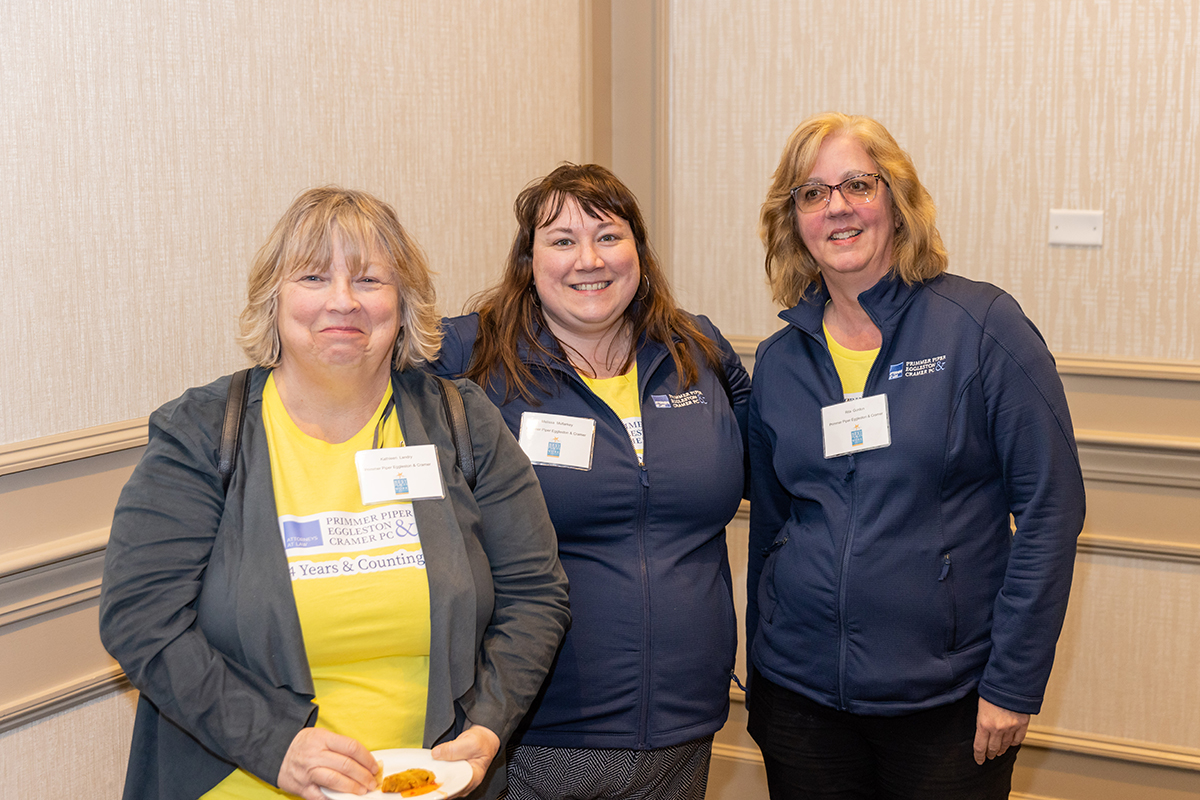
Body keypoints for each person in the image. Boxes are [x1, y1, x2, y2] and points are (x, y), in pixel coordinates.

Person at [99, 187, 570, 800]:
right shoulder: (203, 431)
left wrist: (487, 725)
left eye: (370, 279)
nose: (343, 300)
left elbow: (535, 594)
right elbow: (140, 619)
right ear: (274, 298)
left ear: (403, 303)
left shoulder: (462, 422)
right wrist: (275, 746)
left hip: (424, 785)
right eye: (314, 276)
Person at [746, 113, 1086, 799]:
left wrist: (1014, 683)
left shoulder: (981, 327)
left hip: (946, 705)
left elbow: (1051, 510)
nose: (837, 207)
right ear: (793, 222)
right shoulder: (781, 360)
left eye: (857, 184)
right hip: (800, 702)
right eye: (812, 193)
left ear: (897, 202)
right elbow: (772, 528)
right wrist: (761, 681)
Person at [431, 163, 749, 800]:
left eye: (608, 236)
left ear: (639, 252)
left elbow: (779, 470)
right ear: (528, 261)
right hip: (533, 732)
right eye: (562, 240)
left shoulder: (695, 349)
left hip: (686, 723)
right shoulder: (471, 357)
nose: (589, 260)